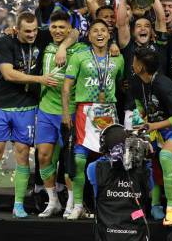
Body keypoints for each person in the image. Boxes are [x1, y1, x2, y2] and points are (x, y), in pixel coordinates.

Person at [0, 12, 57, 219]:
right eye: (27, 31)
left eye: (34, 30)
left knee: (23, 154)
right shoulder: (5, 42)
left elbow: (73, 32)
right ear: (17, 29)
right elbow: (8, 73)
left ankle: (18, 205)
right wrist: (39, 79)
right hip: (2, 105)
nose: (32, 34)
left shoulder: (42, 36)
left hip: (27, 106)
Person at [62, 19, 125, 219]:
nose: (99, 34)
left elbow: (121, 83)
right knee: (79, 161)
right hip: (85, 111)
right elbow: (66, 87)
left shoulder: (118, 59)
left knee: (109, 161)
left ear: (109, 35)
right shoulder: (79, 57)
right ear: (88, 36)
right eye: (95, 31)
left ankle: (104, 207)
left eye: (103, 30)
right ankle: (78, 205)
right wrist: (66, 113)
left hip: (109, 111)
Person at [130, 47, 172, 227]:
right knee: (148, 164)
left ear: (141, 67)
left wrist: (154, 125)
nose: (132, 64)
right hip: (154, 131)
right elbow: (141, 108)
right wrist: (139, 118)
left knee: (165, 156)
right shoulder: (136, 82)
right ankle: (151, 206)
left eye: (135, 61)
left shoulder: (164, 84)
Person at [36, 11, 87, 218]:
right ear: (49, 28)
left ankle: (72, 203)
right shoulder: (45, 45)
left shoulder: (81, 48)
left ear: (68, 29)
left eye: (61, 28)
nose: (57, 31)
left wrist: (65, 46)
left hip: (70, 111)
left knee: (69, 162)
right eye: (54, 27)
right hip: (46, 110)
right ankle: (53, 201)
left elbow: (76, 32)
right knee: (44, 156)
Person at [86, 124, 152, 241]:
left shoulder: (93, 168)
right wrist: (140, 155)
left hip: (106, 235)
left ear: (104, 146)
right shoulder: (144, 168)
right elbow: (149, 190)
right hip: (137, 236)